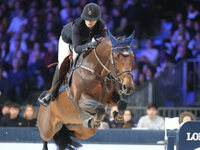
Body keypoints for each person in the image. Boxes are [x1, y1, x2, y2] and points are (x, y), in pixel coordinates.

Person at [38, 3, 107, 107]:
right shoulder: (77, 26)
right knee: (63, 63)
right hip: (68, 42)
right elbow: (77, 48)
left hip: (84, 42)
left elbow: (104, 41)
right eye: (87, 19)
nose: (89, 21)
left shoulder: (101, 25)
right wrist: (90, 45)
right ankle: (51, 93)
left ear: (97, 19)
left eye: (92, 19)